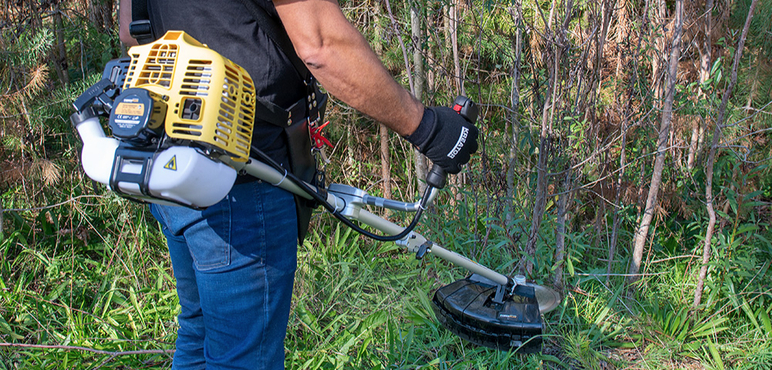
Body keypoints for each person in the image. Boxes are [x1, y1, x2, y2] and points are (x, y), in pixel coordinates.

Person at [119, 0, 478, 369]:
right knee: (242, 359)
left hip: (166, 162)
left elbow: (132, 33)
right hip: (243, 178)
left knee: (200, 333)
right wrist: (428, 128)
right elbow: (322, 47)